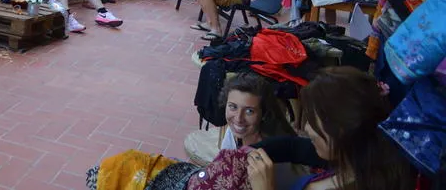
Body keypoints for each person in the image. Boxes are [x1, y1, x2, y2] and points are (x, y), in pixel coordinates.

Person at [86, 73, 297, 190]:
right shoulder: (236, 134)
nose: (238, 118)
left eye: (249, 111)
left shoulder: (271, 155)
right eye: (233, 107)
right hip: (193, 179)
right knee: (123, 163)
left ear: (264, 113)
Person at [247, 66, 416, 190]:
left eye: (313, 121)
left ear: (341, 128)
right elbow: (293, 147)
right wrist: (245, 152)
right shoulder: (358, 159)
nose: (306, 128)